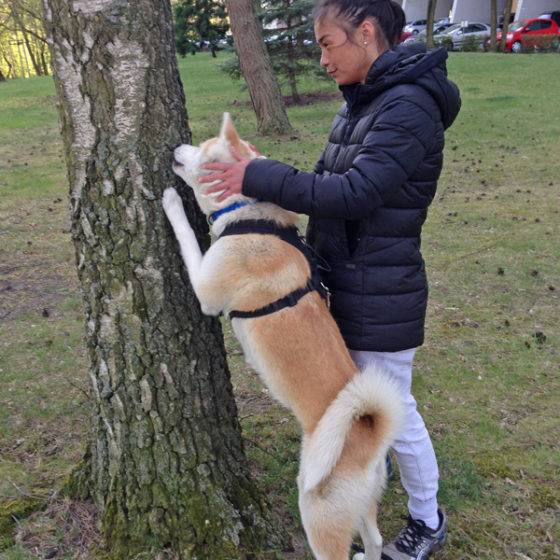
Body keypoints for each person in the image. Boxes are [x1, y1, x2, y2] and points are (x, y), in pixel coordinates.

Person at [201, 0, 461, 558]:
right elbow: (326, 179)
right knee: (355, 408)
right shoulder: (365, 100)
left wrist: (261, 175)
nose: (322, 57)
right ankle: (359, 495)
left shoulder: (408, 106)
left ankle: (426, 518)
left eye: (326, 42)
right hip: (346, 278)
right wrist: (268, 187)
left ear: (365, 33)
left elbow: (354, 193)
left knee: (392, 411)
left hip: (380, 290)